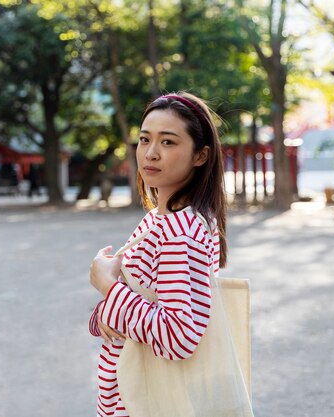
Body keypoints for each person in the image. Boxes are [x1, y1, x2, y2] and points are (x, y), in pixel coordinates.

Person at [88, 93, 232, 416]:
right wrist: (103, 314)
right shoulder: (160, 219)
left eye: (168, 142)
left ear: (200, 156)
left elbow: (179, 335)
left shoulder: (180, 233)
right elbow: (138, 306)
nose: (151, 153)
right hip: (128, 398)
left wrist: (108, 288)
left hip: (147, 403)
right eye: (144, 139)